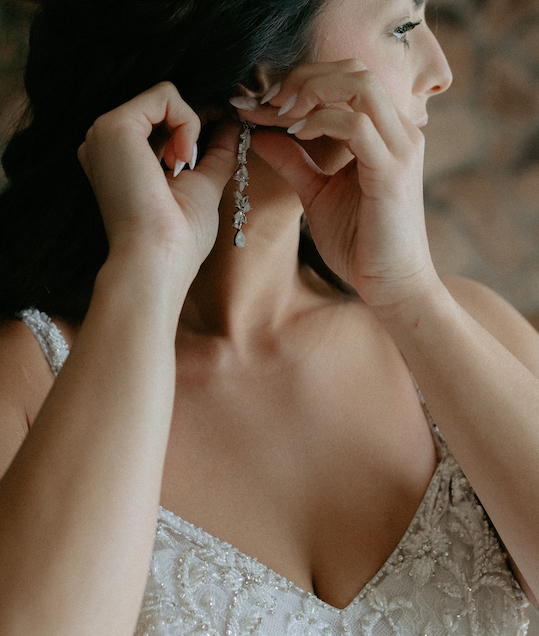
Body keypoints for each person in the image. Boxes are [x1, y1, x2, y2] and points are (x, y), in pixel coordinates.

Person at [0, 0, 538, 634]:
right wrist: (147, 268)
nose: (440, 69)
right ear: (254, 76)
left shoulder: (474, 327)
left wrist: (405, 291)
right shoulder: (25, 382)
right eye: (402, 25)